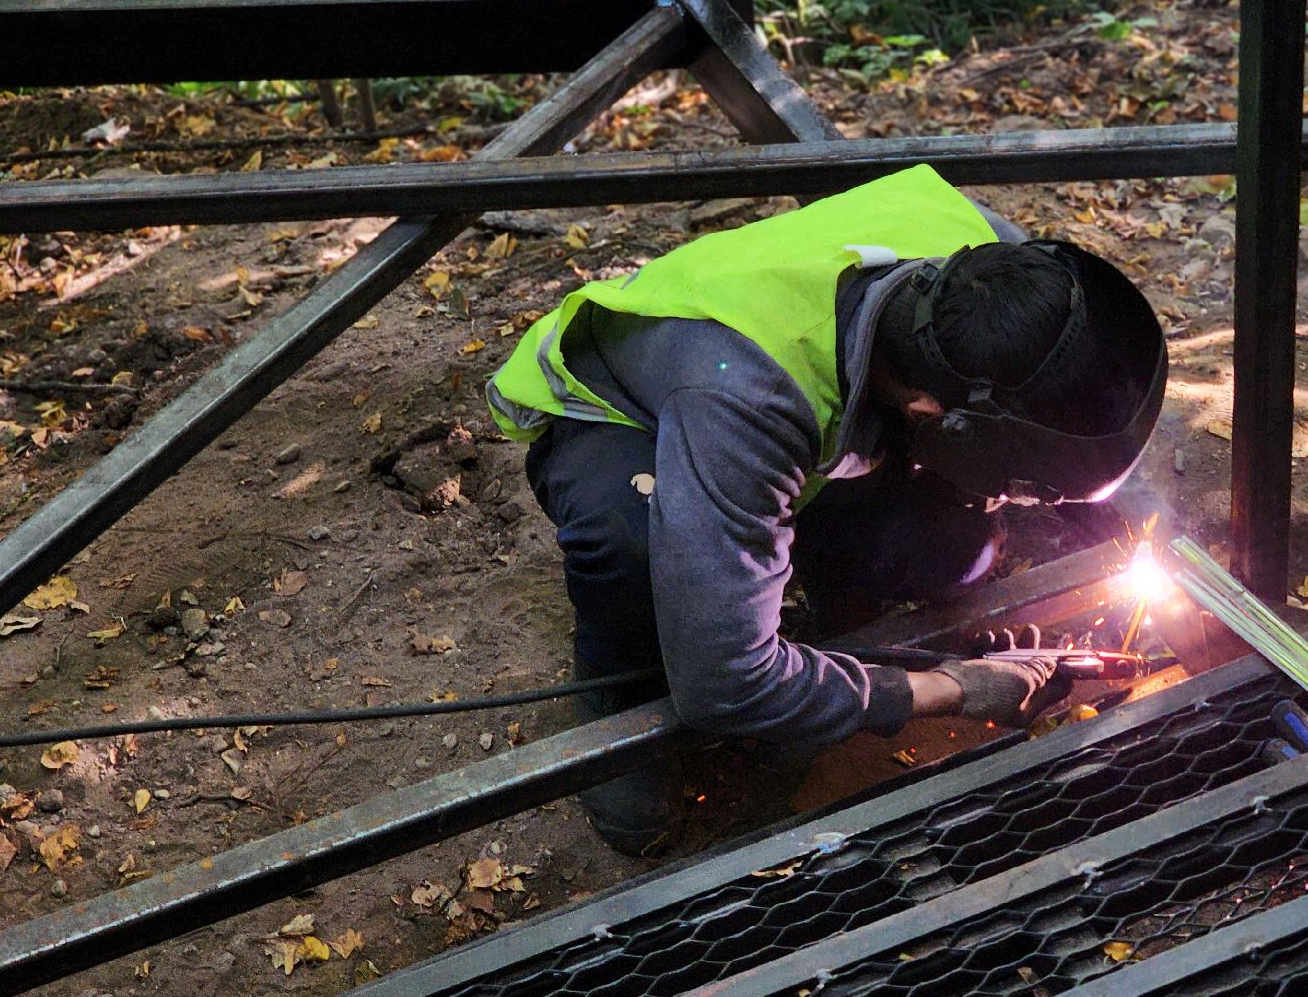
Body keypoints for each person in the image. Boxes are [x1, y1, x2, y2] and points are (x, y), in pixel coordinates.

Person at [487, 164, 1166, 854]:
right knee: (631, 548)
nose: (1024, 501)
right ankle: (617, 689)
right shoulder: (745, 403)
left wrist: (1146, 530)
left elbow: (1089, 385)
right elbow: (724, 685)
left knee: (954, 551)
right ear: (930, 413)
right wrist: (945, 691)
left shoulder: (995, 263)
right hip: (623, 419)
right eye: (1029, 488)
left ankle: (824, 597)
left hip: (790, 412)